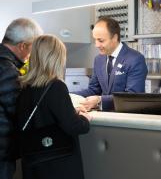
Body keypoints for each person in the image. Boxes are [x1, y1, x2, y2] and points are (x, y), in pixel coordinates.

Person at [15, 35, 91, 179]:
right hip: (57, 164)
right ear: (56, 58)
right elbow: (73, 126)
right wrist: (84, 118)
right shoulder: (56, 86)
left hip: (33, 163)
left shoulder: (24, 86)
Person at [0, 18, 43, 179]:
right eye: (33, 48)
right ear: (23, 45)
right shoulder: (7, 70)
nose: (32, 54)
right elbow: (20, 112)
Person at [76, 17, 148, 111]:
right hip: (105, 117)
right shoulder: (99, 60)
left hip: (127, 118)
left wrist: (99, 100)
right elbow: (93, 90)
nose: (97, 45)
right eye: (95, 40)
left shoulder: (135, 59)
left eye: (101, 41)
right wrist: (67, 95)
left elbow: (132, 97)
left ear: (114, 37)